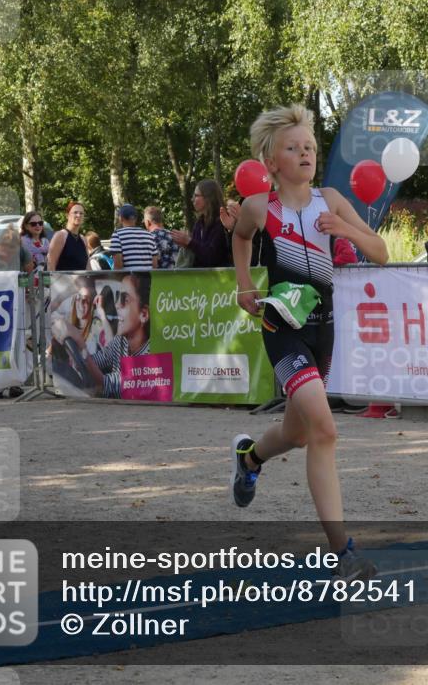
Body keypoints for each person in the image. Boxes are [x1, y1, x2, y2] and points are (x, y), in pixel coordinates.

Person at [230, 103, 388, 580]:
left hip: (324, 327)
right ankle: (345, 552)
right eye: (294, 147)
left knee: (298, 434)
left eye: (311, 147)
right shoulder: (261, 208)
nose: (305, 153)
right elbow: (239, 238)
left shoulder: (332, 200)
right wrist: (243, 286)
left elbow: (380, 253)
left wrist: (347, 229)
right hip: (282, 326)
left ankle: (249, 457)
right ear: (272, 162)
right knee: (325, 431)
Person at [61, 272, 151, 398]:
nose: (116, 305)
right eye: (118, 297)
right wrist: (76, 356)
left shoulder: (151, 354)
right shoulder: (121, 341)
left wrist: (81, 346)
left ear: (144, 315)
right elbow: (99, 360)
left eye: (125, 299)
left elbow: (105, 383)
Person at [171, 180, 237, 268]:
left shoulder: (221, 221)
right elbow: (199, 255)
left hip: (219, 279)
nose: (192, 199)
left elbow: (212, 258)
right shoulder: (199, 223)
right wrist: (186, 244)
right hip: (201, 279)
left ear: (208, 198)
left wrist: (189, 241)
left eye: (196, 195)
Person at [111, 204, 158, 270]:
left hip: (128, 279)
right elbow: (155, 265)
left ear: (121, 218)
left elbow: (118, 266)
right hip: (148, 279)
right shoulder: (149, 235)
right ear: (135, 218)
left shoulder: (117, 235)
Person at [47, 201, 90, 271]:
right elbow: (51, 265)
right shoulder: (60, 236)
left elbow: (88, 267)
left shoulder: (83, 239)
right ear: (67, 215)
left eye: (81, 213)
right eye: (75, 212)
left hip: (81, 281)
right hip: (62, 281)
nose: (78, 215)